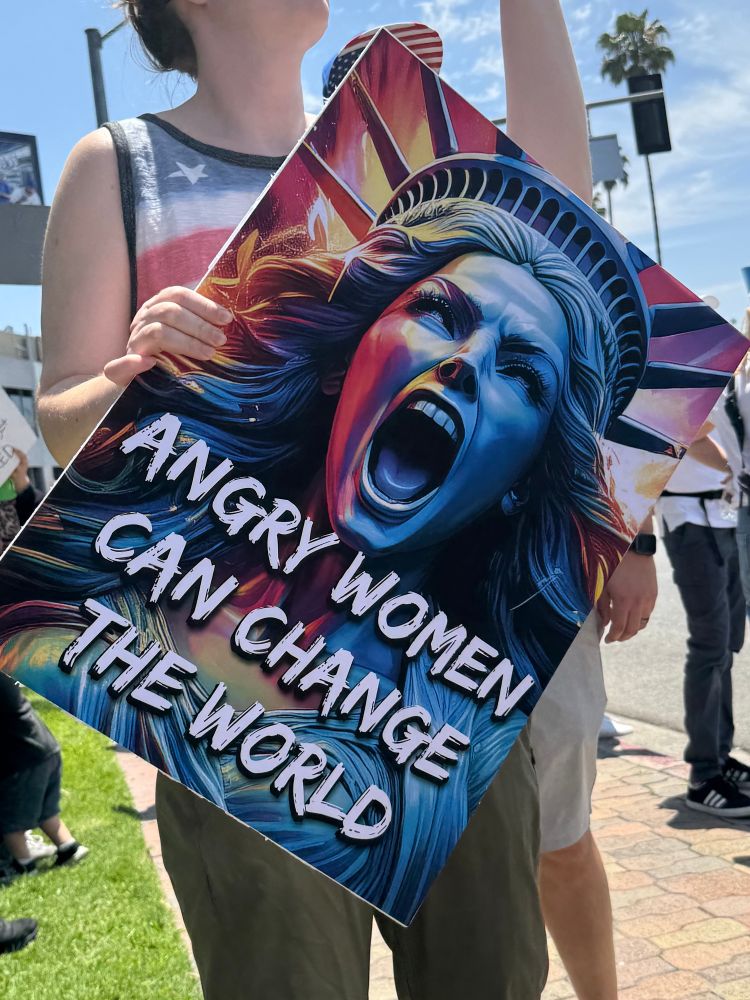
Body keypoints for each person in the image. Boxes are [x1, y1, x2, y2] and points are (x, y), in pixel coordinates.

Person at [31, 1, 601, 997]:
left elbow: (564, 192)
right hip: (233, 694)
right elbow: (59, 413)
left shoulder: (394, 159)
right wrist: (135, 373)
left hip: (439, 689)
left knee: (492, 973)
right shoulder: (119, 164)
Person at [656, 415, 750, 815]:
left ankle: (719, 756)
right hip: (689, 517)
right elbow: (689, 430)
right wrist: (734, 468)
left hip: (724, 512)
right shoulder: (700, 358)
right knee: (710, 643)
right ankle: (703, 774)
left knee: (725, 644)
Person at [0, 672, 89, 874]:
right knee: (45, 811)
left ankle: (25, 867)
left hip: (22, 761)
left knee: (10, 824)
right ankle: (69, 847)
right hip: (45, 749)